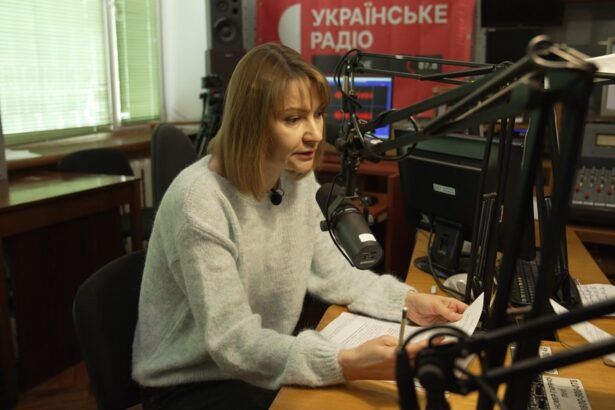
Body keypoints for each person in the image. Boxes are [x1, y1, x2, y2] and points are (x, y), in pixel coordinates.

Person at [132, 42, 468, 410]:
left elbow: (333, 273)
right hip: (190, 383)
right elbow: (233, 342)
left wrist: (408, 302)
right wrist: (345, 363)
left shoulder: (293, 177)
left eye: (318, 114)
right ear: (250, 123)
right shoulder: (200, 201)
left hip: (254, 365)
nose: (315, 134)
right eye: (293, 119)